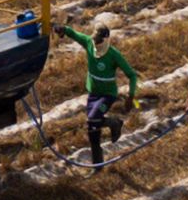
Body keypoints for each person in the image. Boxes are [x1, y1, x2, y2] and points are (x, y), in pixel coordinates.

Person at [58, 12, 139, 164]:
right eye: (95, 42)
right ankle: (98, 165)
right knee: (92, 129)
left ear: (106, 41)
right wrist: (63, 29)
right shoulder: (89, 43)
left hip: (107, 95)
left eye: (100, 43)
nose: (96, 46)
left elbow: (132, 75)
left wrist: (131, 95)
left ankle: (114, 123)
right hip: (93, 93)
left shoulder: (114, 55)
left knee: (93, 118)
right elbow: (74, 34)